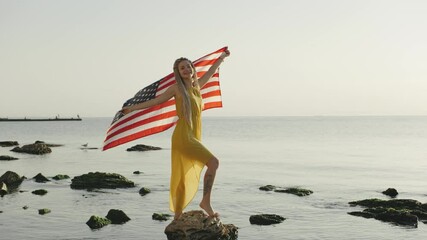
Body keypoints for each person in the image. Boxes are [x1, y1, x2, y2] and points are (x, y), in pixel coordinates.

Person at [121, 49, 230, 220]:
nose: (186, 70)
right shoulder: (176, 89)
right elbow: (156, 101)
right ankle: (206, 203)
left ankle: (178, 215)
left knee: (183, 175)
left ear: (193, 69)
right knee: (213, 162)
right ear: (178, 72)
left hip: (193, 136)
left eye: (188, 66)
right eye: (182, 68)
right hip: (183, 136)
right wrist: (132, 109)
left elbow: (210, 71)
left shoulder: (197, 87)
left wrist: (222, 58)